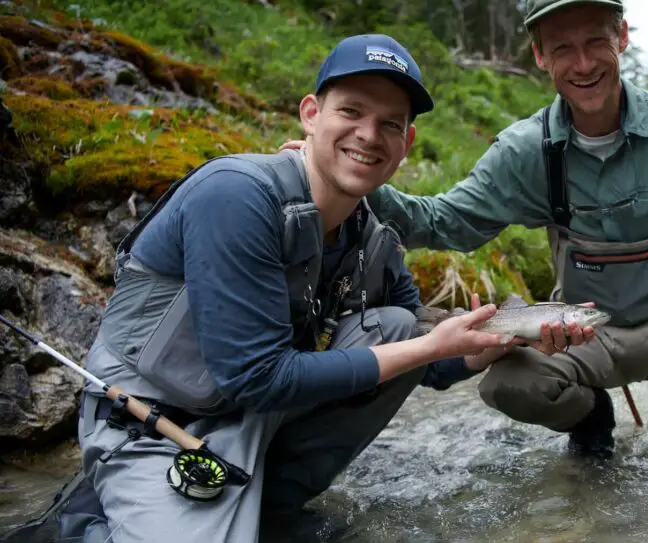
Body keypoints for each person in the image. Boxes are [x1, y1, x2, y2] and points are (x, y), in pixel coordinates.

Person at [282, 0, 648, 490]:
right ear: (540, 56)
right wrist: (346, 174)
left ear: (622, 39)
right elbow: (445, 222)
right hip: (582, 334)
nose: (582, 64)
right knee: (504, 387)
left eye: (595, 42)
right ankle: (592, 424)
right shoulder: (524, 151)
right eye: (562, 48)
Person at [22, 33, 523, 543]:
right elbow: (255, 377)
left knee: (397, 325)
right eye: (351, 111)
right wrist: (427, 345)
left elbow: (422, 358)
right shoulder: (237, 195)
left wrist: (481, 348)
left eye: (389, 123)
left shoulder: (374, 236)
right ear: (311, 114)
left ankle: (271, 504)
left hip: (254, 417)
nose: (369, 135)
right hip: (151, 418)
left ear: (406, 143)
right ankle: (86, 523)